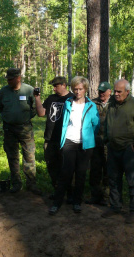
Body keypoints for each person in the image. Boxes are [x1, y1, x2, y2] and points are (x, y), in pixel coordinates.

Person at [48, 76, 99, 215]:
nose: (77, 92)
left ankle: (77, 202)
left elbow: (96, 124)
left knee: (81, 174)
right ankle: (57, 203)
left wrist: (88, 138)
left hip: (85, 145)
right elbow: (65, 122)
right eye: (75, 89)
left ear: (85, 89)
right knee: (66, 173)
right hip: (69, 141)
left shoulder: (91, 106)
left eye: (80, 89)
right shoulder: (68, 103)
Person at [101, 79, 134, 224]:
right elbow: (107, 123)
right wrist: (107, 140)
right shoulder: (112, 105)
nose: (115, 94)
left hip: (128, 148)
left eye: (119, 91)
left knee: (132, 180)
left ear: (127, 92)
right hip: (113, 147)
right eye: (115, 91)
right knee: (113, 179)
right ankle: (115, 206)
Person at [0, 68, 40, 195]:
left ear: (18, 78)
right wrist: (8, 117)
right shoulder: (3, 92)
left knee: (29, 156)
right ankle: (16, 184)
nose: (8, 81)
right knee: (12, 156)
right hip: (9, 129)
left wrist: (25, 118)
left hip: (25, 129)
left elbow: (35, 107)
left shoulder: (28, 90)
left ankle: (31, 184)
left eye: (11, 79)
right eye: (7, 79)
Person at [34, 76, 74, 198]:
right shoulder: (51, 98)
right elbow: (41, 113)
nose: (54, 89)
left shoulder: (72, 98)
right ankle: (57, 191)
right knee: (52, 166)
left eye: (56, 86)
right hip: (50, 139)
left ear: (64, 85)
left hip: (66, 139)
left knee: (67, 167)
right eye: (53, 86)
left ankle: (70, 193)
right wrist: (37, 98)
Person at [86, 81, 112, 206]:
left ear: (109, 92)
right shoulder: (92, 103)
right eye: (100, 91)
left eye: (104, 91)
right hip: (95, 141)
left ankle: (106, 197)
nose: (101, 93)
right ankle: (95, 195)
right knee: (95, 170)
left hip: (109, 142)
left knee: (108, 170)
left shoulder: (114, 104)